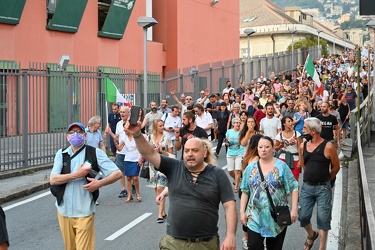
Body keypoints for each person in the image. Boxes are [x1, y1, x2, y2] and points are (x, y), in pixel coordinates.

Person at [127, 118, 237, 249]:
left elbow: (229, 206)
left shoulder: (217, 174)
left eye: (195, 150)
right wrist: (137, 135)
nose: (190, 154)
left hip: (205, 243)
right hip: (173, 242)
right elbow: (149, 153)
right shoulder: (174, 167)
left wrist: (230, 236)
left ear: (204, 152)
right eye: (186, 151)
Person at [50, 122, 122, 250]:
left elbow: (117, 173)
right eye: (72, 132)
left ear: (85, 135)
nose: (75, 135)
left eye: (78, 132)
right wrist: (76, 174)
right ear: (67, 137)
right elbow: (53, 179)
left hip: (84, 211)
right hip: (63, 210)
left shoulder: (95, 153)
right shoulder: (61, 154)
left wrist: (100, 183)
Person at [240, 136, 299, 250]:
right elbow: (245, 191)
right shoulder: (250, 168)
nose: (264, 149)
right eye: (261, 147)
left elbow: (294, 187)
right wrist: (242, 211)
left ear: (273, 149)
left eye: (267, 147)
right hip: (255, 216)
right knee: (253, 246)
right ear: (257, 149)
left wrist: (294, 209)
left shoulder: (281, 166)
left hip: (276, 216)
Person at [298, 117, 340, 250]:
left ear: (313, 131)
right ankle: (311, 234)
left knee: (323, 219)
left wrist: (327, 179)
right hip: (307, 186)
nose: (302, 130)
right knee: (303, 216)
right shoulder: (302, 145)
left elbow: (336, 167)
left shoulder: (328, 146)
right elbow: (303, 164)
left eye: (305, 128)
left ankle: (322, 248)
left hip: (323, 188)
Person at [146, 119, 174, 223]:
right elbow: (146, 152)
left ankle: (159, 215)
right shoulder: (149, 138)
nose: (162, 127)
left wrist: (162, 151)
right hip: (153, 167)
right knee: (156, 189)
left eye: (163, 125)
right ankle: (162, 211)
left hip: (164, 165)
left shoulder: (167, 138)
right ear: (155, 127)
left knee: (160, 188)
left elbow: (172, 155)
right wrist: (153, 151)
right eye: (160, 126)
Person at [106, 106, 131, 198]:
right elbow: (116, 137)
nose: (122, 113)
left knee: (130, 171)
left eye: (124, 112)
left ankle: (131, 187)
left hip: (130, 151)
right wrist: (110, 133)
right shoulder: (118, 124)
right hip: (120, 151)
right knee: (121, 171)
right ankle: (123, 189)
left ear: (128, 113)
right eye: (121, 112)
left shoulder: (133, 123)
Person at [114, 122, 143, 203]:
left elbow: (141, 148)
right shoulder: (125, 138)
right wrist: (115, 142)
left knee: (135, 178)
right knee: (128, 178)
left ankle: (137, 193)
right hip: (128, 159)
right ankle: (129, 195)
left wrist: (141, 159)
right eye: (124, 129)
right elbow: (119, 148)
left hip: (136, 158)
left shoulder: (136, 137)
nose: (124, 130)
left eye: (125, 129)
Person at [274, 116, 301, 180]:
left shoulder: (297, 134)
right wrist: (281, 146)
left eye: (291, 121)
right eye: (289, 121)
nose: (291, 123)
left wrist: (300, 160)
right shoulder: (280, 135)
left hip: (295, 158)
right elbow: (276, 148)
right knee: (282, 178)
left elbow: (300, 148)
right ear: (284, 123)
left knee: (295, 179)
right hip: (283, 158)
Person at [225, 117, 244, 192]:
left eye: (239, 123)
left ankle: (236, 186)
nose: (238, 124)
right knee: (230, 171)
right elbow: (226, 139)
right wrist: (227, 142)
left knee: (238, 170)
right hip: (230, 152)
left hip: (240, 152)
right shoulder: (229, 131)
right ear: (233, 124)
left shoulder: (242, 132)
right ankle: (237, 179)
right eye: (236, 123)